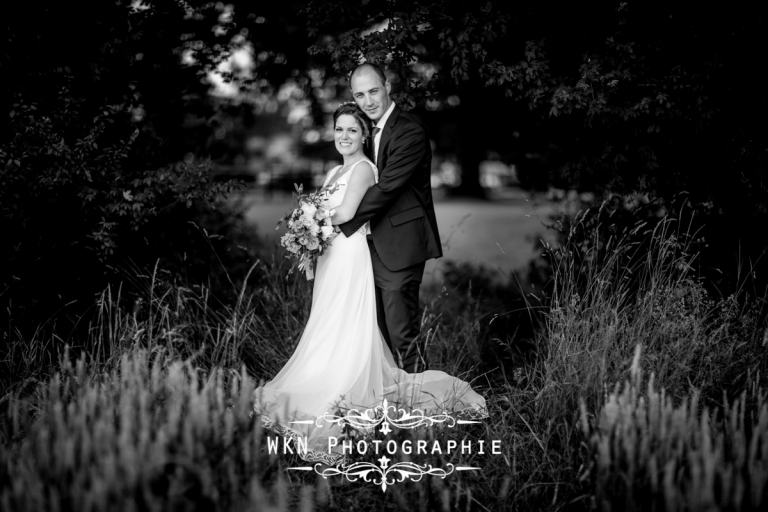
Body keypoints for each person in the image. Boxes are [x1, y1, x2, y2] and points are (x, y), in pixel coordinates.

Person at [253, 103, 487, 465]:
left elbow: (346, 214)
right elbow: (328, 208)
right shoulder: (334, 170)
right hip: (330, 259)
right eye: (339, 130)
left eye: (351, 130)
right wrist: (306, 227)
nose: (344, 137)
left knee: (346, 323)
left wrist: (311, 219)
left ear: (364, 135)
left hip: (349, 256)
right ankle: (321, 376)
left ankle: (344, 388)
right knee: (327, 323)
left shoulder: (364, 168)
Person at [336, 62, 442, 374]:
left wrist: (340, 222)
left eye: (373, 91)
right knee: (374, 334)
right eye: (360, 95)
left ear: (388, 88)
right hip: (365, 248)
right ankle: (386, 404)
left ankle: (421, 408)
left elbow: (386, 189)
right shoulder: (363, 131)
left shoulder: (409, 132)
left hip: (399, 245)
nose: (368, 101)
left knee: (402, 334)